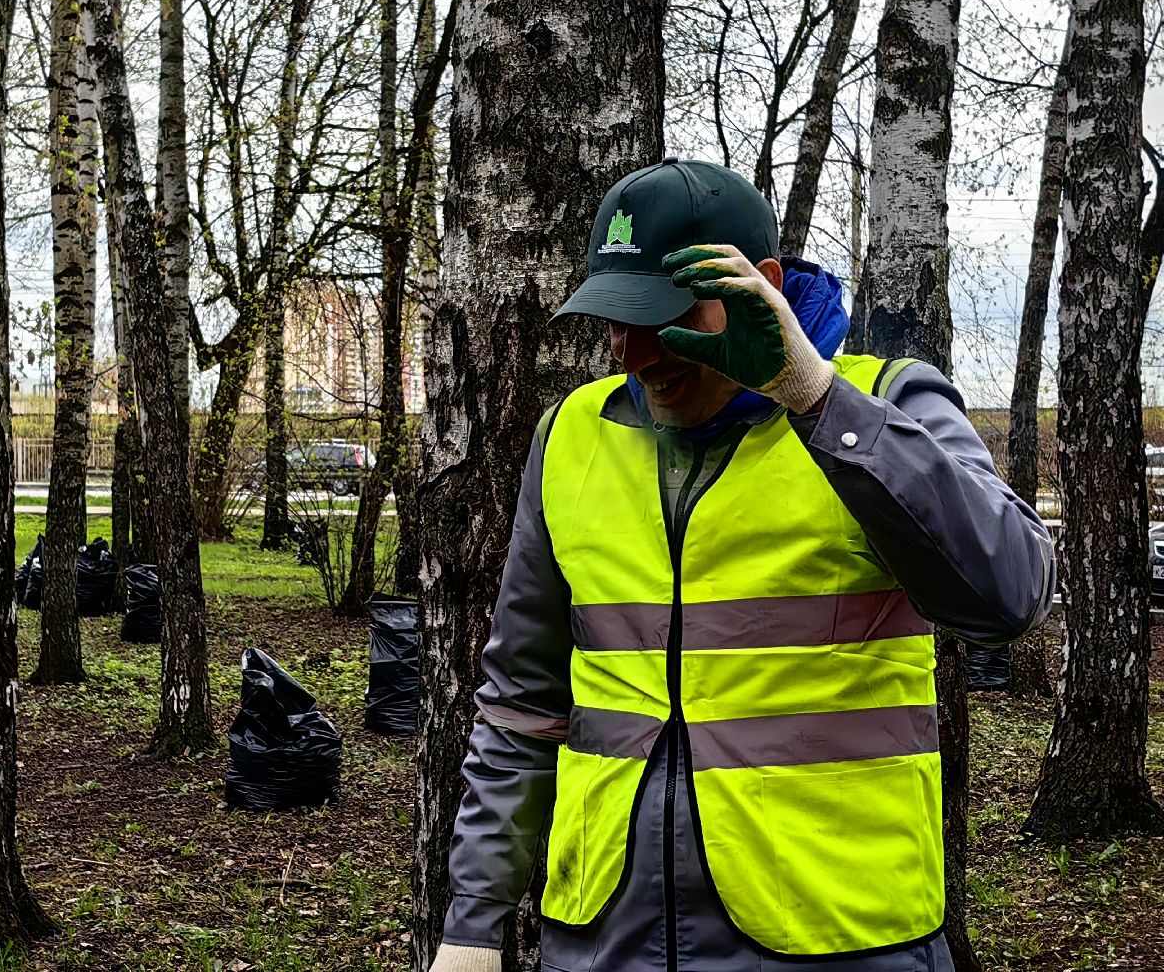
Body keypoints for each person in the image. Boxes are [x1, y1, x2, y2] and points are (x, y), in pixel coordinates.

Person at [428, 159, 1055, 972]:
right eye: (615, 320)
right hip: (608, 944)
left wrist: (817, 399)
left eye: (663, 316)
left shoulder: (888, 405)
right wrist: (473, 926)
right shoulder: (574, 434)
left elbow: (1011, 594)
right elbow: (522, 707)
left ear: (761, 286)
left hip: (836, 942)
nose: (635, 353)